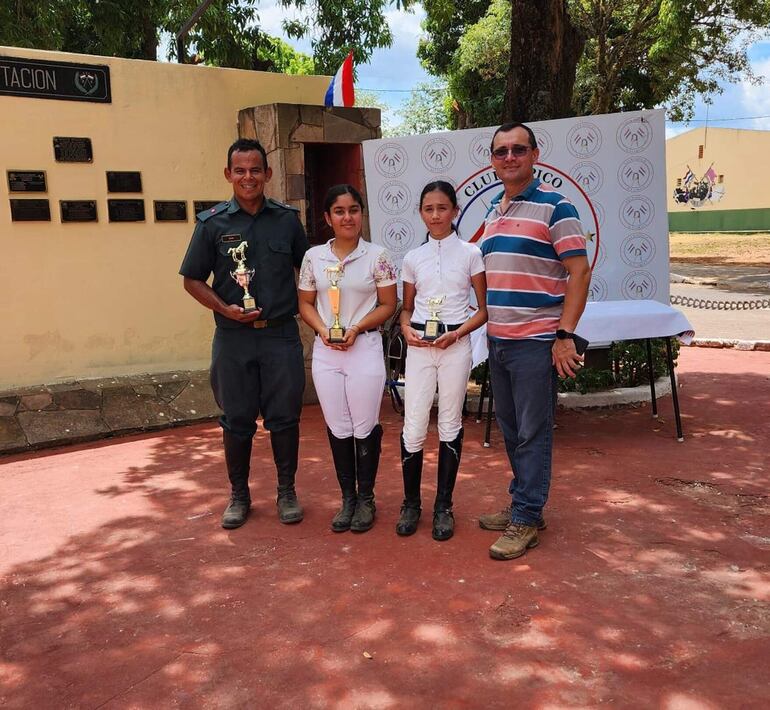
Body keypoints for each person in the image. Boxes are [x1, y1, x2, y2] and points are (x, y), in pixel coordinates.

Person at [179, 138, 309, 530]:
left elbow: (312, 271)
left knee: (284, 419)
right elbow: (191, 279)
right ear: (228, 174)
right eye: (240, 170)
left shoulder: (287, 220)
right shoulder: (212, 224)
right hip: (233, 339)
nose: (248, 177)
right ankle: (239, 496)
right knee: (236, 420)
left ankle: (286, 491)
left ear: (267, 174)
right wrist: (224, 308)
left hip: (281, 336)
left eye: (255, 170)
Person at [478, 122, 591, 560]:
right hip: (499, 340)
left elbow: (579, 272)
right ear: (492, 160)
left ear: (535, 155)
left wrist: (563, 336)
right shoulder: (494, 209)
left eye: (518, 150)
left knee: (533, 431)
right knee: (510, 429)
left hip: (535, 341)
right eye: (501, 151)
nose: (509, 157)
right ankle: (524, 502)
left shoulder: (556, 207)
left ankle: (526, 517)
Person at [297, 185, 398, 533]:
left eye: (354, 210)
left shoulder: (378, 255)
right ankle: (348, 499)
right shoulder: (314, 257)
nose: (348, 217)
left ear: (362, 214)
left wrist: (355, 327)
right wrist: (324, 330)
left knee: (364, 426)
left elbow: (388, 304)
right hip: (327, 351)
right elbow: (305, 303)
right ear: (327, 218)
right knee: (338, 426)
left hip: (364, 348)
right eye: (339, 211)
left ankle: (367, 498)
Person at [396, 181, 487, 541]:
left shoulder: (470, 253)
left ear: (455, 210)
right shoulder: (412, 258)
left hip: (455, 345)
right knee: (414, 424)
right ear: (420, 213)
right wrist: (405, 329)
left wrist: (458, 334)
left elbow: (483, 311)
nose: (435, 215)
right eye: (428, 209)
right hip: (419, 347)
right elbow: (405, 309)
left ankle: (444, 506)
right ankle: (410, 503)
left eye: (442, 208)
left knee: (450, 422)